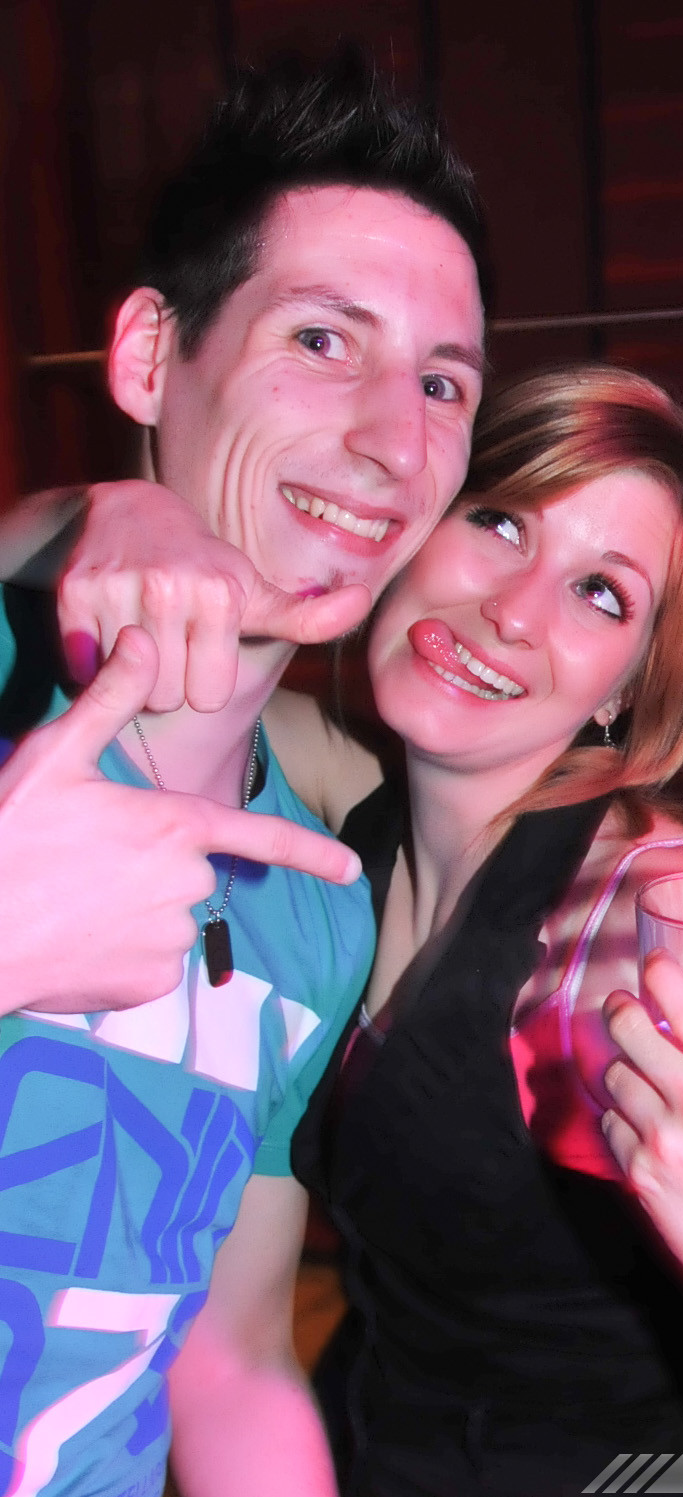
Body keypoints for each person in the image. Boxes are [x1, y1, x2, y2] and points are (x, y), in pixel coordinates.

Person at [271, 367, 683, 1491]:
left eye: (601, 594)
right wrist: (127, 521)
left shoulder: (647, 922)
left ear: (625, 687)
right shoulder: (359, 802)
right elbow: (150, 650)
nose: (513, 612)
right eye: (500, 521)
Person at [0, 48, 487, 1497]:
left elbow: (229, 1354)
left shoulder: (316, 906)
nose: (394, 442)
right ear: (153, 359)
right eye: (322, 339)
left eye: (444, 383)